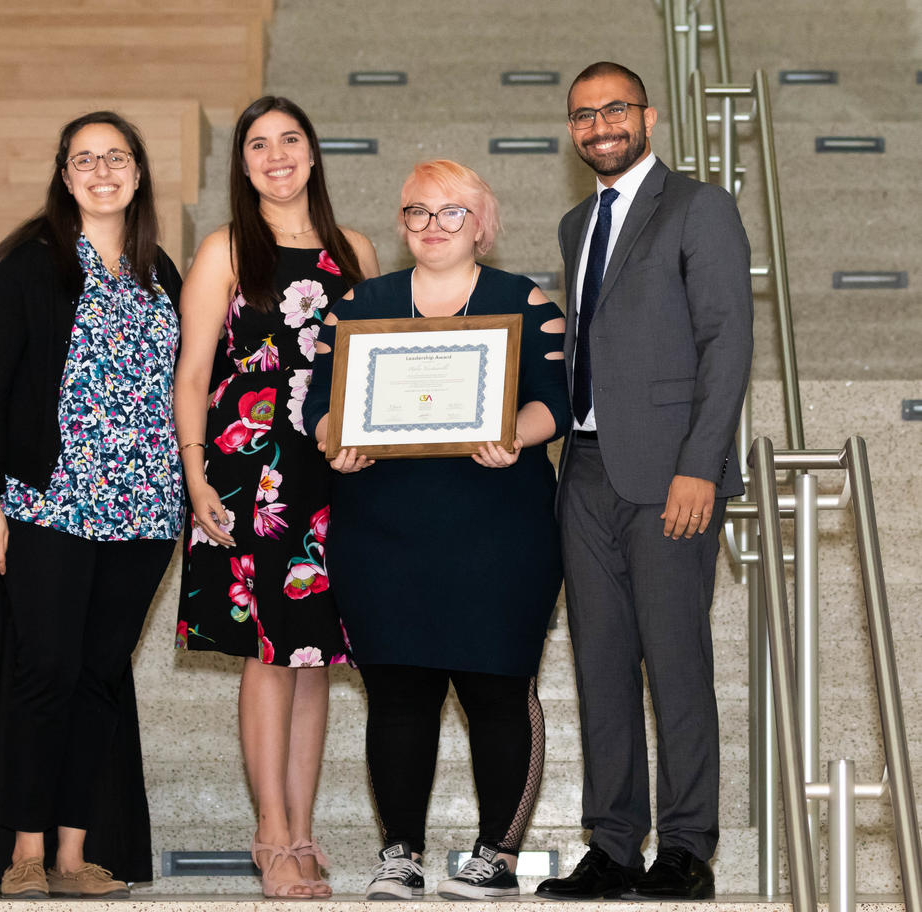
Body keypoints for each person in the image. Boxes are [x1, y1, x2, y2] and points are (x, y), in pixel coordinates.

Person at [302, 159, 571, 901]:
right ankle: (400, 854)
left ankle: (498, 856)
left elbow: (557, 398)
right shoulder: (362, 305)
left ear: (481, 223)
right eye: (417, 212)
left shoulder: (524, 301)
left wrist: (515, 431)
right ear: (400, 224)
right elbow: (318, 405)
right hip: (383, 530)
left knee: (497, 689)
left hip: (499, 534)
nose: (432, 226)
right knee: (397, 692)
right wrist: (336, 435)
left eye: (451, 212)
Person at [534, 62, 752, 902]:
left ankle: (688, 846)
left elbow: (726, 342)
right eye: (583, 116)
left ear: (648, 116)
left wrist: (700, 465)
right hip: (584, 473)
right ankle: (615, 845)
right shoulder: (574, 223)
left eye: (614, 109)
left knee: (676, 662)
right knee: (600, 668)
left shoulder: (700, 207)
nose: (599, 126)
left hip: (669, 475)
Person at [0, 111, 183, 899]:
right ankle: (24, 852)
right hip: (52, 501)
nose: (101, 171)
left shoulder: (163, 274)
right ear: (63, 174)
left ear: (137, 171)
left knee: (98, 676)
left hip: (147, 508)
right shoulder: (29, 265)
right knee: (46, 669)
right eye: (84, 159)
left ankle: (72, 856)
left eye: (115, 157)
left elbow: (182, 389)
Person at [173, 95, 379, 898]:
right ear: (243, 164)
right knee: (268, 653)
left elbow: (368, 368)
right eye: (258, 145)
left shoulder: (353, 248)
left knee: (316, 657)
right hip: (245, 476)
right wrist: (193, 476)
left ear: (314, 152)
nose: (276, 155)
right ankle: (270, 831)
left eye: (290, 138)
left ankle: (302, 824)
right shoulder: (226, 249)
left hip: (333, 477)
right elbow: (192, 374)